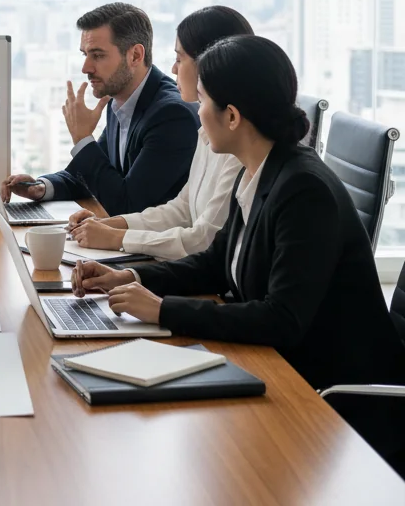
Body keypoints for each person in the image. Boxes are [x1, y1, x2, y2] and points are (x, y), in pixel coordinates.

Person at [70, 35, 405, 462]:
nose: (197, 114)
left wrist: (161, 310)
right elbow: (215, 264)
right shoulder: (259, 170)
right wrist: (132, 277)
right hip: (278, 367)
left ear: (231, 116)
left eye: (203, 102)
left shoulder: (303, 190)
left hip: (332, 402)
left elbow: (281, 319)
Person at [68, 6, 253, 259]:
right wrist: (114, 225)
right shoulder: (207, 132)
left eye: (179, 59)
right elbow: (182, 209)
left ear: (213, 64)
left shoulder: (235, 145)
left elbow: (203, 239)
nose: (174, 69)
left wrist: (118, 237)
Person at [1, 3, 199, 215]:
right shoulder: (119, 101)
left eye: (97, 55)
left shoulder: (171, 116)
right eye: (84, 54)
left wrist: (83, 138)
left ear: (135, 56)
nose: (85, 68)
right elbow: (91, 174)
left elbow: (127, 205)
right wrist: (41, 188)